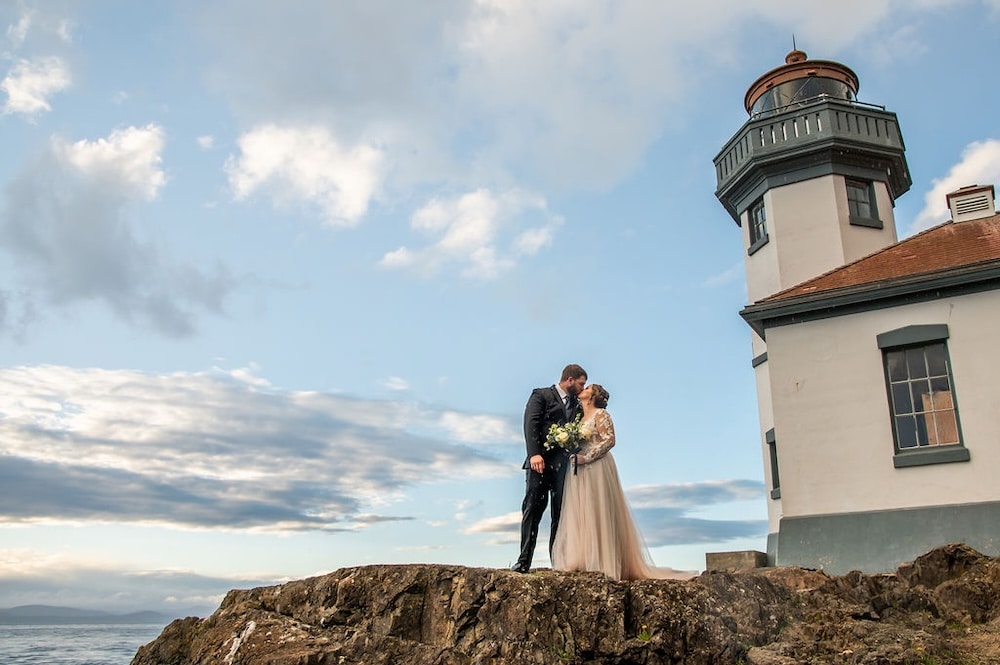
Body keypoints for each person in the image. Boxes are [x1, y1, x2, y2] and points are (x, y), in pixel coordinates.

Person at [551, 383, 694, 581]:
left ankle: (604, 562)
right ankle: (583, 559)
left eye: (587, 388)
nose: (583, 389)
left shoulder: (601, 415)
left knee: (599, 510)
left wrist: (588, 457)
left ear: (592, 396)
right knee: (582, 511)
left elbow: (609, 440)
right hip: (579, 469)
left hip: (597, 467)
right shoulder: (578, 417)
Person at [513, 363, 588, 573]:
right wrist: (534, 453)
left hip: (563, 467)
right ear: (570, 380)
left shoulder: (578, 405)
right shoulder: (541, 395)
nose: (583, 388)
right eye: (581, 384)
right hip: (539, 463)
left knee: (560, 514)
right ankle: (523, 561)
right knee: (532, 510)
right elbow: (530, 424)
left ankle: (558, 563)